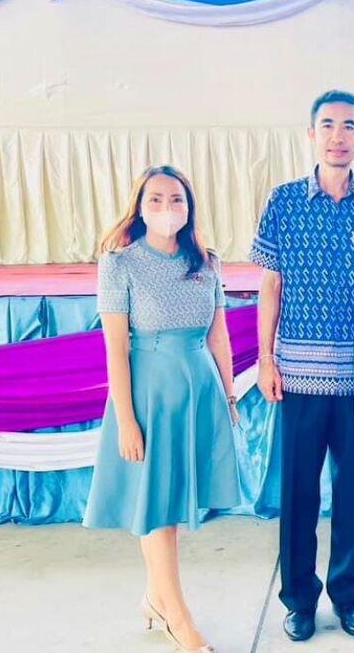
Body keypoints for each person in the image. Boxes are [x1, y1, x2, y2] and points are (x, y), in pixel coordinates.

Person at [251, 90, 354, 642]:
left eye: (348, 126)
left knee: (352, 492)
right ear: (311, 134)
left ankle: (348, 595)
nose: (337, 136)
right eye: (327, 125)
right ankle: (298, 600)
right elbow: (270, 285)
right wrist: (266, 359)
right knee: (299, 492)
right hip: (298, 374)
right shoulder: (283, 201)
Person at [83, 164, 241, 653]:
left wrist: (229, 396)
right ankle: (177, 615)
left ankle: (155, 598)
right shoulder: (120, 263)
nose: (167, 208)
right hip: (149, 395)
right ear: (139, 206)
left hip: (198, 390)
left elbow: (218, 335)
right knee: (157, 508)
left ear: (189, 207)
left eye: (176, 199)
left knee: (172, 504)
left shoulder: (207, 262)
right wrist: (126, 420)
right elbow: (115, 349)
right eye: (155, 198)